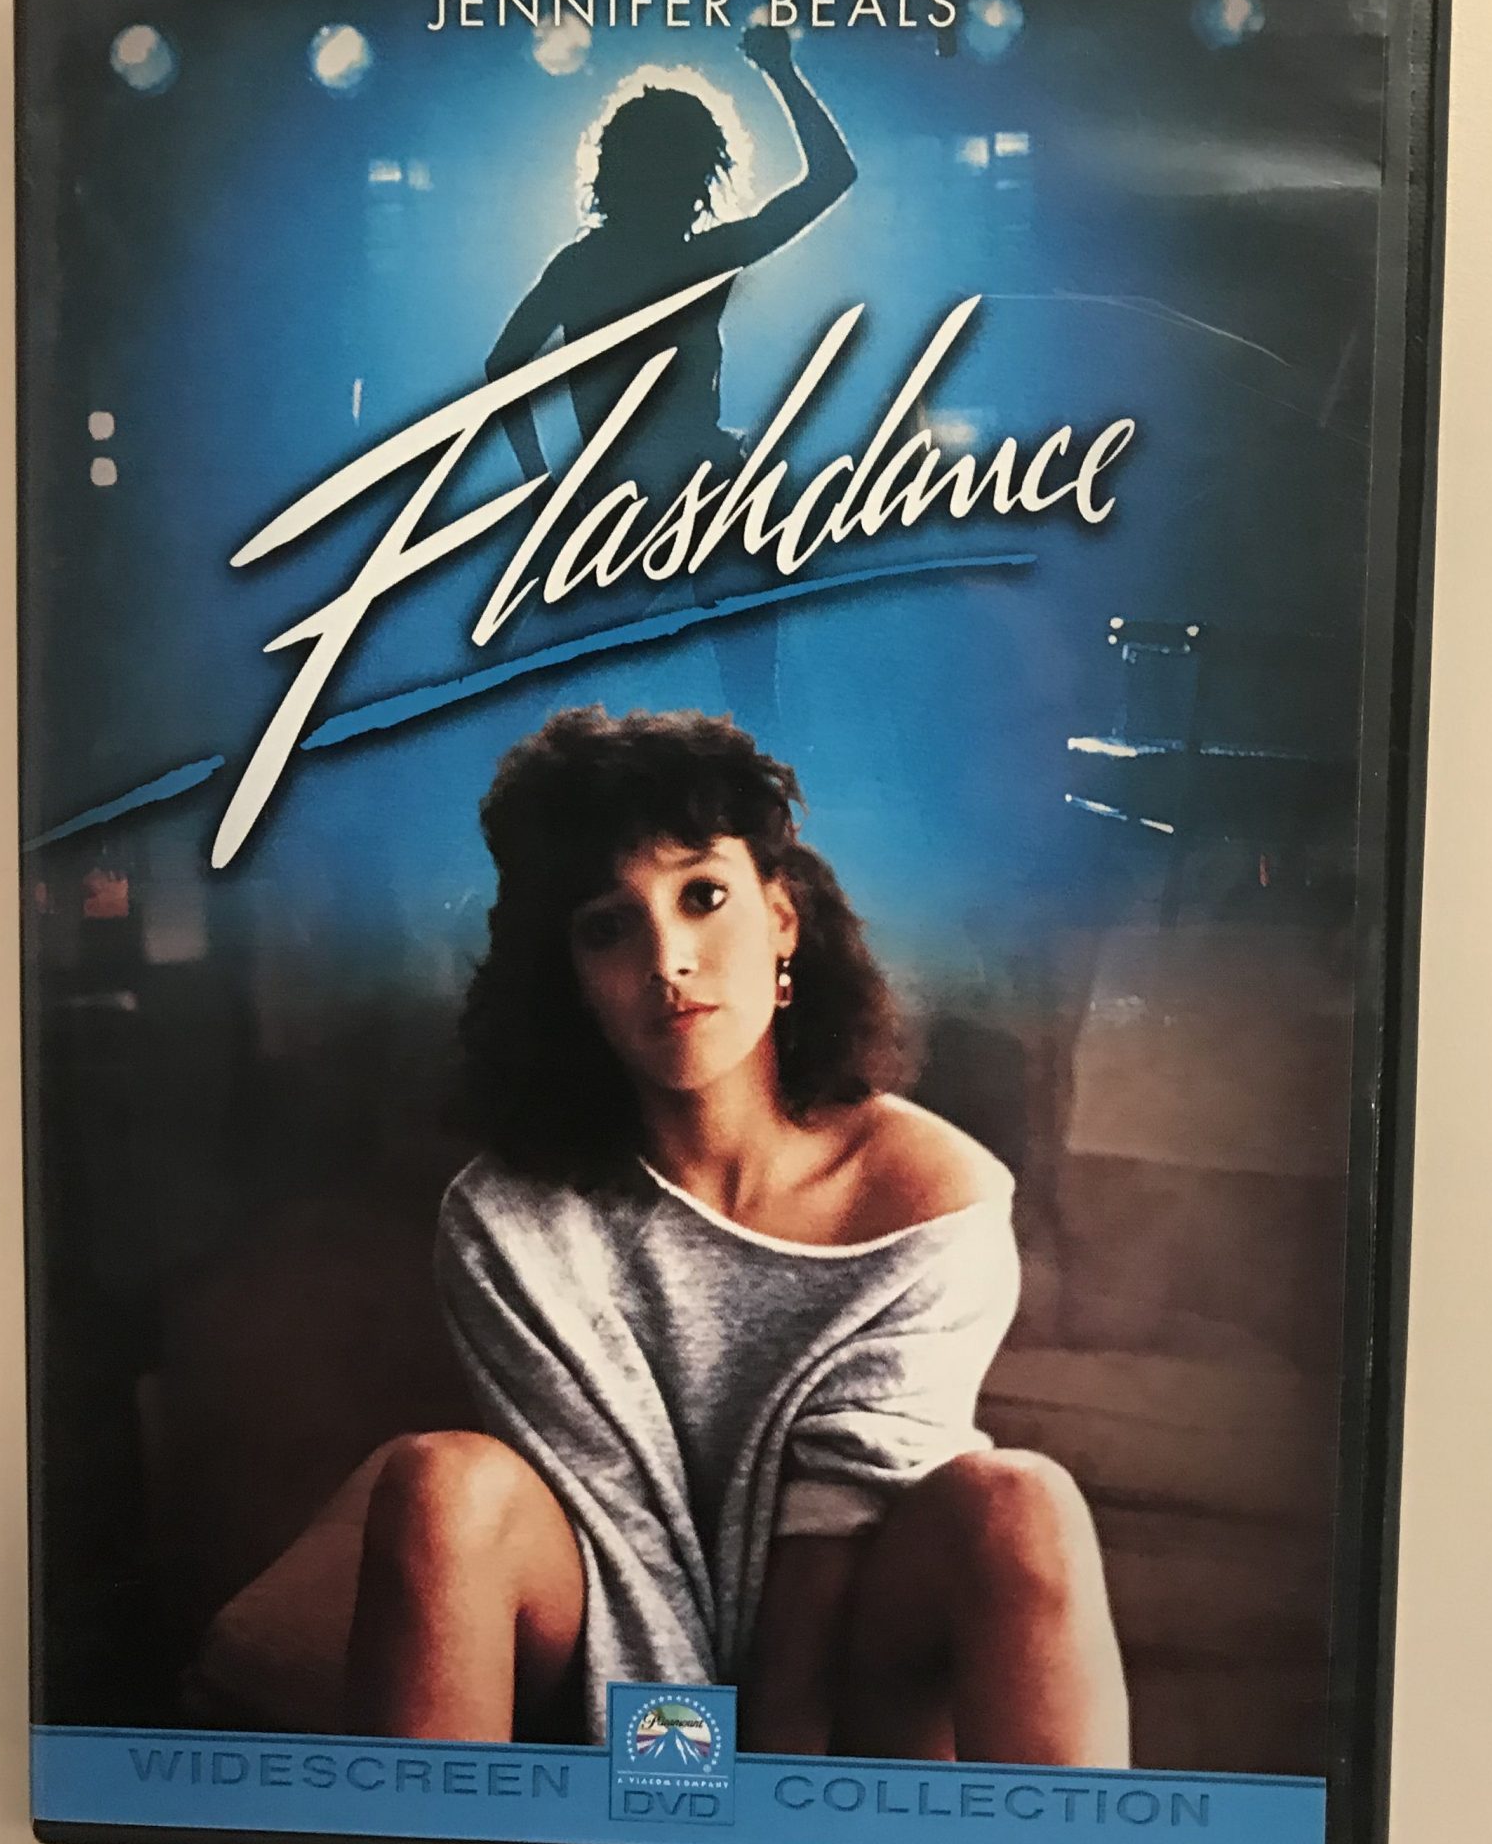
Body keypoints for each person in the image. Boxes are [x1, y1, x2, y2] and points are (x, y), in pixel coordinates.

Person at [345, 707, 1129, 1767]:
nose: (668, 959)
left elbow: (837, 1538)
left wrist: (767, 1794)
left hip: (851, 1677)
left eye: (702, 896)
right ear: (570, 978)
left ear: (783, 917)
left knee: (1024, 1504)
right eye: (607, 926)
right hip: (606, 1659)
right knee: (442, 1485)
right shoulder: (509, 1225)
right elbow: (619, 1536)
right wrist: (683, 1787)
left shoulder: (931, 1197)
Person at [481, 26, 858, 731]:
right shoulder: (696, 259)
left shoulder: (587, 266)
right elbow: (832, 176)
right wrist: (780, 71)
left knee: (529, 690)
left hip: (638, 495)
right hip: (688, 488)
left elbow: (504, 367)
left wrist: (543, 485)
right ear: (696, 179)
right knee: (752, 695)